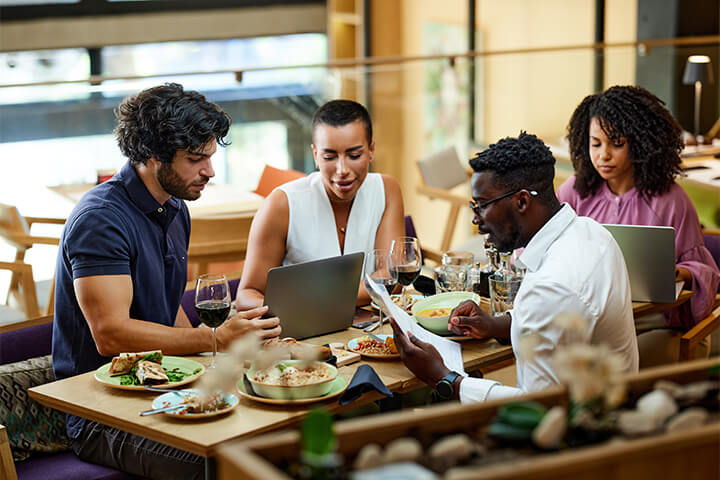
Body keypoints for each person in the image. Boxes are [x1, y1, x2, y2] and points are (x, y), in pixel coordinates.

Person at [52, 83, 281, 480]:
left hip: (165, 389)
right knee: (231, 465)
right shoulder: (100, 220)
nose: (209, 170)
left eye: (210, 156)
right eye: (196, 159)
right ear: (153, 156)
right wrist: (213, 339)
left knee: (279, 434)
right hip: (101, 414)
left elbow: (167, 306)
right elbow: (111, 335)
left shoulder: (174, 207)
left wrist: (219, 361)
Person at [389, 132, 639, 402]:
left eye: (481, 205)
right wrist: (496, 325)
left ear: (521, 201)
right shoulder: (591, 233)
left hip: (583, 434)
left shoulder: (550, 286)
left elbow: (538, 410)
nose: (476, 220)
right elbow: (559, 327)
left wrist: (443, 377)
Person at [557, 85, 720, 366]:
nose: (603, 155)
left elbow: (705, 271)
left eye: (616, 143)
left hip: (658, 323)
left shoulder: (671, 201)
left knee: (611, 369)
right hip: (595, 319)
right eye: (595, 144)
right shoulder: (574, 192)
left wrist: (678, 273)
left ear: (642, 143)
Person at [235, 99, 405, 309]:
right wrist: (304, 310)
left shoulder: (386, 189)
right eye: (329, 156)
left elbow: (392, 276)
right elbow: (247, 296)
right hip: (299, 333)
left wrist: (319, 302)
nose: (342, 169)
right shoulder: (281, 204)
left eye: (354, 155)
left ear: (371, 150)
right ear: (315, 155)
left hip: (367, 330)